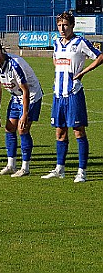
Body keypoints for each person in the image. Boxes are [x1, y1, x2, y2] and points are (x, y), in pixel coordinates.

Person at [41, 11, 103, 183]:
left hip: (73, 93)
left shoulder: (80, 42)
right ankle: (60, 168)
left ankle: (81, 171)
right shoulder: (56, 43)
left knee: (78, 131)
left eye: (65, 25)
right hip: (58, 94)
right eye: (59, 25)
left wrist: (83, 72)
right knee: (60, 131)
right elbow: (55, 59)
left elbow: (100, 57)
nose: (62, 28)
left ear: (72, 25)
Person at [0, 39, 43, 177]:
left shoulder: (15, 65)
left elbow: (26, 90)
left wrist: (25, 114)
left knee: (23, 129)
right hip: (16, 96)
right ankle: (11, 165)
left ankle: (25, 167)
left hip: (31, 95)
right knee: (9, 128)